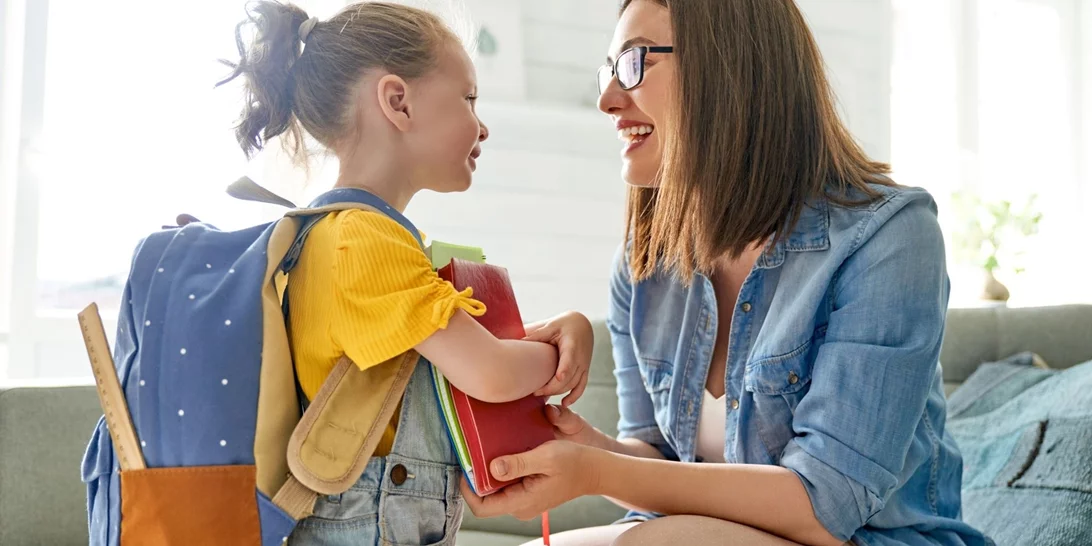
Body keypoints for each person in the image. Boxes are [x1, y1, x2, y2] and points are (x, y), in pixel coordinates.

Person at [461, 1, 993, 545]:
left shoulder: (889, 238)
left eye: (633, 63)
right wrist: (580, 445)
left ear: (731, 68)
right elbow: (659, 459)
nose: (607, 99)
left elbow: (827, 503)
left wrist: (594, 471)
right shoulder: (644, 266)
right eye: (609, 70)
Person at [217, 2, 593, 544]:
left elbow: (453, 356)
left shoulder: (343, 237)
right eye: (468, 98)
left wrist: (559, 329)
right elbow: (489, 373)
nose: (482, 125)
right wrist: (562, 354)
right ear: (398, 101)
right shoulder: (364, 241)